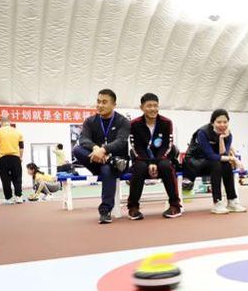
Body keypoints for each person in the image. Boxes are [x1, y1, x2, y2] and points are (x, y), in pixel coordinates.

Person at [73, 89, 130, 224]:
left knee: (107, 169)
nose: (100, 105)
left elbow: (121, 142)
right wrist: (96, 148)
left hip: (118, 163)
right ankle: (109, 161)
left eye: (104, 102)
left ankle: (105, 211)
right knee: (77, 150)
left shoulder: (123, 121)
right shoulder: (90, 121)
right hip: (99, 161)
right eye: (98, 102)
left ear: (114, 104)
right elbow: (84, 139)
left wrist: (104, 149)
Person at [127, 93, 182, 220]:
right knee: (139, 168)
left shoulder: (166, 123)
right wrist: (149, 162)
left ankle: (175, 205)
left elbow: (167, 146)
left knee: (166, 166)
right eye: (149, 106)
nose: (153, 109)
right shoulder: (134, 124)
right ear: (142, 108)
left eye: (155, 106)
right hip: (142, 159)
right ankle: (133, 207)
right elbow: (136, 147)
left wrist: (156, 161)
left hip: (161, 157)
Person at [183, 109, 247, 214]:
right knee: (217, 163)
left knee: (226, 165)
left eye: (225, 122)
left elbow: (223, 155)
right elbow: (210, 155)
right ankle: (217, 202)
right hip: (195, 161)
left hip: (211, 162)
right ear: (213, 122)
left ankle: (232, 201)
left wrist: (222, 139)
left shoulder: (228, 134)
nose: (222, 125)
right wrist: (234, 159)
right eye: (219, 122)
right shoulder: (202, 132)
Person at [0, 116, 24, 204]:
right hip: (15, 158)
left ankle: (8, 199)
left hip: (3, 158)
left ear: (1, 123)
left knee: (5, 179)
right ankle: (19, 197)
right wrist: (20, 157)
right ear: (9, 122)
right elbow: (21, 147)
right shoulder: (17, 132)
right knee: (17, 178)